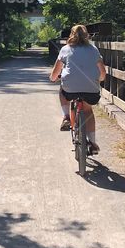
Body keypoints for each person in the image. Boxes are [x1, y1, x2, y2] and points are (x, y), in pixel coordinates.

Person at [49, 24, 107, 153]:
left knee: (63, 90)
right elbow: (102, 72)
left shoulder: (65, 49)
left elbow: (55, 73)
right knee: (88, 111)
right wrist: (100, 79)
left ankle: (66, 117)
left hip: (71, 88)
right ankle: (92, 143)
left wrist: (53, 78)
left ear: (71, 35)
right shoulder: (93, 49)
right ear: (87, 35)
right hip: (90, 88)